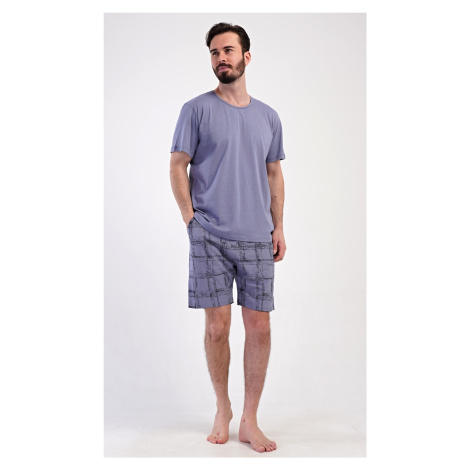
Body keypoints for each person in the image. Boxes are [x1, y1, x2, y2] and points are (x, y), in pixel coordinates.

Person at [169, 22, 286, 453]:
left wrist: (278, 226)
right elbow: (177, 164)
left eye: (229, 50)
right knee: (217, 328)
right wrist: (191, 221)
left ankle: (250, 420)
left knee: (259, 326)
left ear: (246, 57)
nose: (222, 58)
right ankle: (224, 408)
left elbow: (274, 172)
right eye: (215, 52)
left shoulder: (268, 116)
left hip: (257, 236)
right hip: (210, 236)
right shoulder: (195, 109)